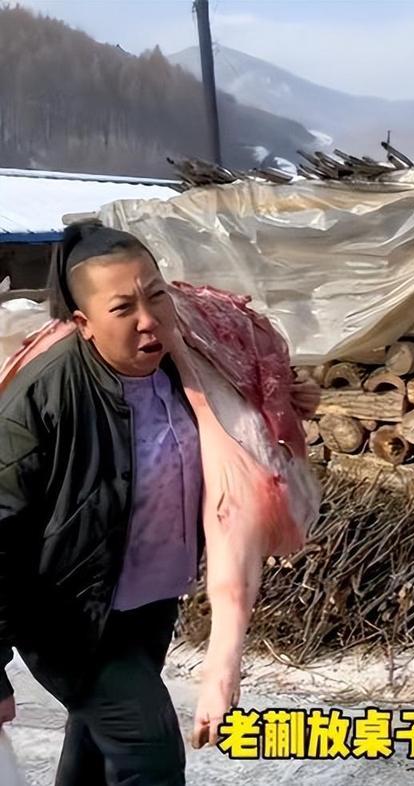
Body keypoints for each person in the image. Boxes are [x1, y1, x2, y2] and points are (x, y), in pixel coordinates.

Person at [0, 221, 319, 785]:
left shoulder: (189, 366)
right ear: (85, 323)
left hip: (149, 603)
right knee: (151, 757)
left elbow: (244, 421)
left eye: (156, 296)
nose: (149, 320)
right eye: (124, 308)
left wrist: (286, 401)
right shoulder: (44, 398)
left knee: (97, 749)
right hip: (69, 616)